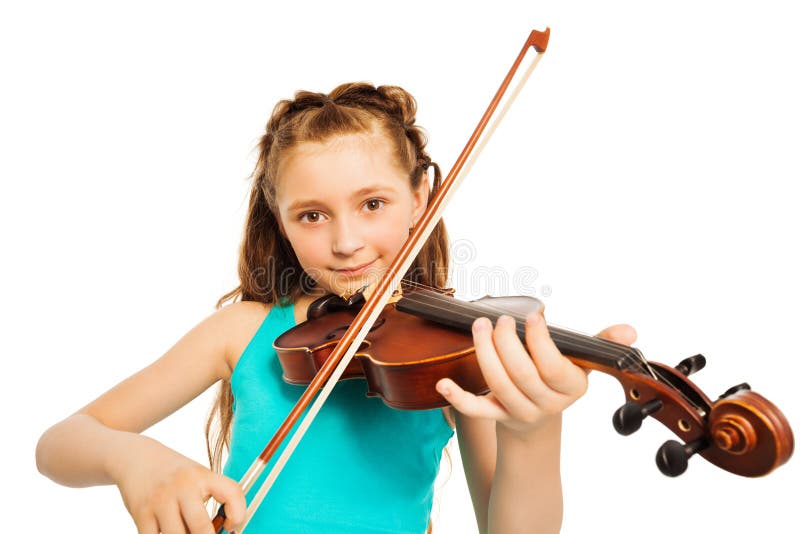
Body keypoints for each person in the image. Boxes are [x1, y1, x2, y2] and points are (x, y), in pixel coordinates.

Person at [36, 82, 637, 533]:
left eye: (373, 203)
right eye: (313, 214)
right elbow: (60, 444)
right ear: (282, 221)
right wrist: (131, 457)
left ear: (421, 197)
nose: (346, 241)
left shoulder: (457, 354)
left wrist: (534, 433)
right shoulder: (243, 332)